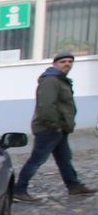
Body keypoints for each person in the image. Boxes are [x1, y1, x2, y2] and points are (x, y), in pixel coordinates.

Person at [15, 51, 93, 200]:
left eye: (70, 61)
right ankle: (19, 190)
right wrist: (55, 125)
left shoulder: (61, 80)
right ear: (55, 64)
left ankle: (74, 186)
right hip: (49, 129)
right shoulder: (50, 80)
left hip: (60, 128)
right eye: (63, 62)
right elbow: (46, 106)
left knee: (64, 159)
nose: (67, 64)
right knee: (37, 159)